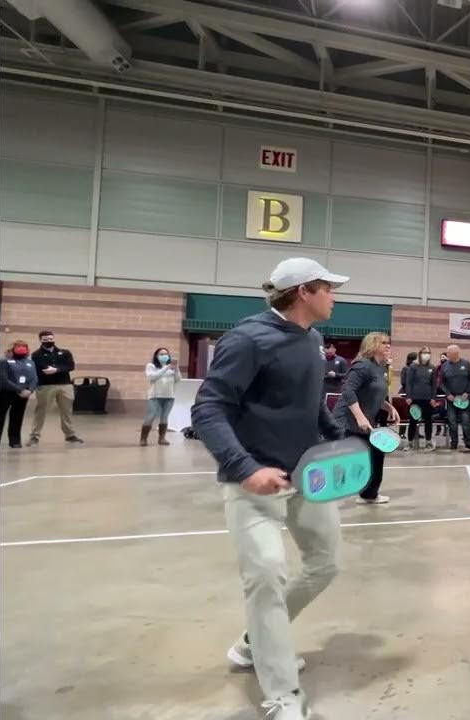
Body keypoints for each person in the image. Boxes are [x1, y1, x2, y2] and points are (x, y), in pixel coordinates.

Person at [191, 257, 349, 720]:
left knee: (326, 565)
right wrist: (244, 468)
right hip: (253, 486)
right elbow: (208, 410)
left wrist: (341, 438)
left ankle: (250, 643)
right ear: (304, 292)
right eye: (329, 288)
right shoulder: (249, 338)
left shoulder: (314, 340)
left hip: (306, 479)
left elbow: (310, 401)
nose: (334, 296)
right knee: (266, 579)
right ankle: (283, 694)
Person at [333, 332, 397, 505]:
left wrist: (388, 407)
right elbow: (348, 391)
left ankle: (369, 495)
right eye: (383, 343)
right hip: (348, 420)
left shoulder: (381, 367)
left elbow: (373, 393)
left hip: (367, 421)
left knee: (376, 454)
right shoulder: (362, 366)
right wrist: (360, 417)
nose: (388, 346)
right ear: (372, 345)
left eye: (388, 343)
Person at [28, 330, 81, 446]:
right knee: (40, 411)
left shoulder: (65, 352)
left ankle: (70, 435)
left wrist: (56, 369)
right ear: (40, 340)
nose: (49, 341)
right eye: (45, 340)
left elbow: (70, 366)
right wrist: (54, 369)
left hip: (65, 385)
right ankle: (34, 436)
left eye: (51, 339)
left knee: (66, 411)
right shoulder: (36, 354)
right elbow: (41, 367)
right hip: (46, 386)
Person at [437, 344, 470, 451]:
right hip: (451, 400)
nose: (447, 355)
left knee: (465, 421)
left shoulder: (466, 364)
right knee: (452, 422)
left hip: (464, 399)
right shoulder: (444, 366)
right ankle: (454, 442)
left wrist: (467, 392)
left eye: (449, 353)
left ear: (455, 354)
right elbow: (441, 382)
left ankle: (468, 442)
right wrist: (448, 394)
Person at [0, 340, 37, 449]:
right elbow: (3, 379)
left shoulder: (30, 362)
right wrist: (19, 389)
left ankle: (15, 441)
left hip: (23, 395)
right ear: (12, 349)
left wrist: (30, 390)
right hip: (5, 393)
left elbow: (34, 378)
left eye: (23, 347)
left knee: (17, 418)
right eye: (18, 347)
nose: (21, 349)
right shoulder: (4, 362)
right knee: (0, 417)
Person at [141, 347, 181, 446]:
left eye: (166, 354)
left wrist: (176, 368)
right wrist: (166, 367)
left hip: (169, 396)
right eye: (161, 354)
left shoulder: (172, 367)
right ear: (156, 356)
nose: (164, 356)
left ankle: (162, 438)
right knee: (151, 416)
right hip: (155, 396)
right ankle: (143, 438)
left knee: (164, 417)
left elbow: (177, 379)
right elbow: (153, 376)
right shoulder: (151, 366)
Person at [403, 347, 435, 451]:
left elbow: (433, 384)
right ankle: (410, 443)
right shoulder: (413, 366)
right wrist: (408, 396)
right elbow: (409, 382)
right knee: (413, 421)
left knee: (428, 421)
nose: (427, 354)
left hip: (427, 398)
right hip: (414, 399)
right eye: (425, 352)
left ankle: (428, 443)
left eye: (428, 353)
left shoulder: (432, 367)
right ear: (420, 354)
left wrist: (433, 398)